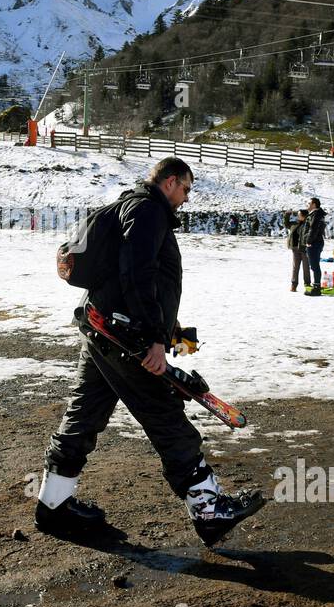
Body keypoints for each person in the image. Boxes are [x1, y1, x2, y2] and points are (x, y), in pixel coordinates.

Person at [37, 157, 266, 547]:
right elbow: (137, 273)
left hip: (105, 327)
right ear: (171, 182)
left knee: (85, 412)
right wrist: (153, 338)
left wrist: (168, 328)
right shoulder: (148, 210)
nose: (187, 199)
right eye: (187, 190)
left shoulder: (135, 207)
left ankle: (53, 504)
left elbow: (137, 277)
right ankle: (208, 509)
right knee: (164, 413)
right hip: (125, 337)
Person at [301, 197, 326, 297]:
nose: (307, 205)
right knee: (314, 265)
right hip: (315, 242)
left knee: (315, 265)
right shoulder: (315, 214)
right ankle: (316, 286)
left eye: (309, 203)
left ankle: (316, 288)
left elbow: (313, 229)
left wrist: (308, 241)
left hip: (314, 243)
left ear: (314, 204)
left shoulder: (316, 214)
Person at [287, 209, 310, 292]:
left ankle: (307, 285)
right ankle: (294, 285)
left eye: (299, 215)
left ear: (304, 216)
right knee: (295, 267)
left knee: (306, 267)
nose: (297, 216)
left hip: (304, 248)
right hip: (295, 248)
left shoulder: (308, 224)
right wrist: (287, 215)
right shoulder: (295, 223)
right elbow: (286, 224)